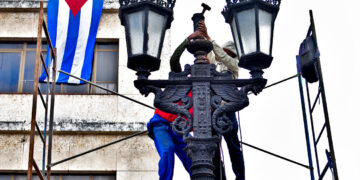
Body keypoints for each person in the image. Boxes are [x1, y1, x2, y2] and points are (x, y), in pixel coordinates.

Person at [147, 30, 203, 180]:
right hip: (161, 123)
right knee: (167, 150)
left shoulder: (203, 95)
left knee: (195, 161)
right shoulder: (181, 81)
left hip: (179, 129)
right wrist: (188, 39)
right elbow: (174, 59)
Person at [199, 21, 246, 180]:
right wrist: (204, 37)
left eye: (226, 53)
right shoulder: (217, 60)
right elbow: (211, 54)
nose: (221, 56)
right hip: (213, 110)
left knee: (233, 146)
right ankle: (220, 177)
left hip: (228, 110)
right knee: (213, 147)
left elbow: (220, 55)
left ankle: (240, 177)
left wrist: (209, 38)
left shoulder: (233, 65)